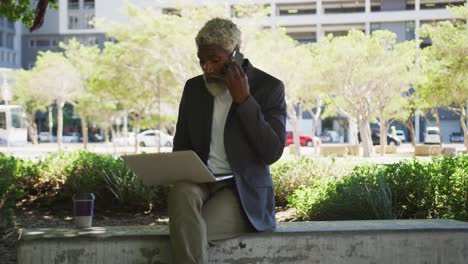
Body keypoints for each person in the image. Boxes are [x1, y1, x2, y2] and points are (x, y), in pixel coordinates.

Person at [168, 18, 287, 264]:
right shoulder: (193, 89)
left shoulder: (269, 88)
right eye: (202, 61)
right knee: (181, 192)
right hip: (200, 182)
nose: (208, 69)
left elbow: (272, 152)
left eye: (215, 60)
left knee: (191, 231)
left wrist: (245, 101)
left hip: (240, 190)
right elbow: (181, 147)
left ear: (235, 54)